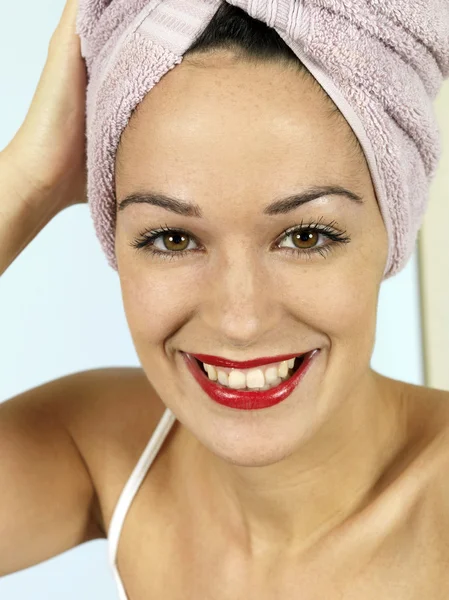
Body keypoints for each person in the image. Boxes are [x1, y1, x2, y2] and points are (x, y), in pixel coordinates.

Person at [1, 0, 448, 597]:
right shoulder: (109, 448)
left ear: (392, 228)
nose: (241, 320)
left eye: (305, 236)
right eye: (173, 238)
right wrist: (29, 181)